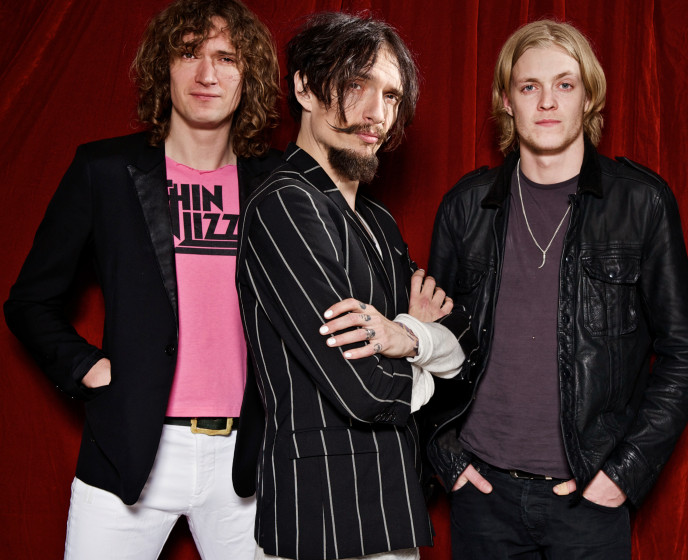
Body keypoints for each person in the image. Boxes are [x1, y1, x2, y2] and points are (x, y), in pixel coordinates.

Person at [3, 0, 281, 558]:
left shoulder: (278, 183)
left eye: (226, 58)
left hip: (248, 458)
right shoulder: (103, 172)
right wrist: (89, 369)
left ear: (247, 76)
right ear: (163, 67)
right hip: (129, 449)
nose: (207, 74)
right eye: (189, 54)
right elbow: (30, 301)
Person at [423, 19, 688, 559]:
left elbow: (682, 353)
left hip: (588, 502)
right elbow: (427, 342)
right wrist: (447, 459)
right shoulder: (466, 206)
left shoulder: (641, 203)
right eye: (530, 86)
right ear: (507, 101)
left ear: (589, 97)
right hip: (482, 496)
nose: (547, 102)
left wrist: (624, 473)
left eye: (565, 84)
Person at [236, 12, 468, 560]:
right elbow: (365, 390)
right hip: (322, 517)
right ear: (305, 88)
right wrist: (426, 345)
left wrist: (405, 337)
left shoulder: (379, 222)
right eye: (356, 85)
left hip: (395, 506)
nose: (377, 114)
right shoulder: (284, 205)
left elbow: (464, 346)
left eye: (391, 96)